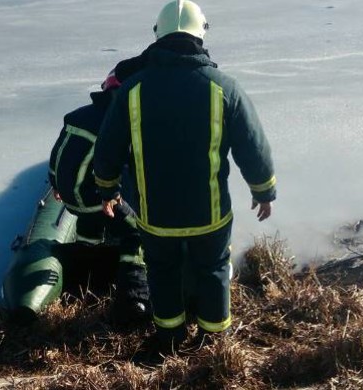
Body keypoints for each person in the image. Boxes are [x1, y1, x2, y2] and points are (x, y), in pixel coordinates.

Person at [93, 0, 276, 350]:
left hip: (156, 217)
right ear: (201, 34)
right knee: (213, 270)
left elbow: (108, 148)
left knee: (162, 272)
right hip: (209, 215)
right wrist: (263, 190)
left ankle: (170, 338)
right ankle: (213, 339)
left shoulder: (132, 90)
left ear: (158, 36)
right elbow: (252, 145)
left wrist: (108, 191)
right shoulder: (223, 87)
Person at [48, 68, 150, 325]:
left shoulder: (76, 117)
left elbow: (57, 154)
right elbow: (118, 165)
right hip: (94, 197)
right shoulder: (115, 123)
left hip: (72, 198)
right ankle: (134, 297)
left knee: (88, 228)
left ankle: (82, 280)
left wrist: (55, 184)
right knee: (134, 233)